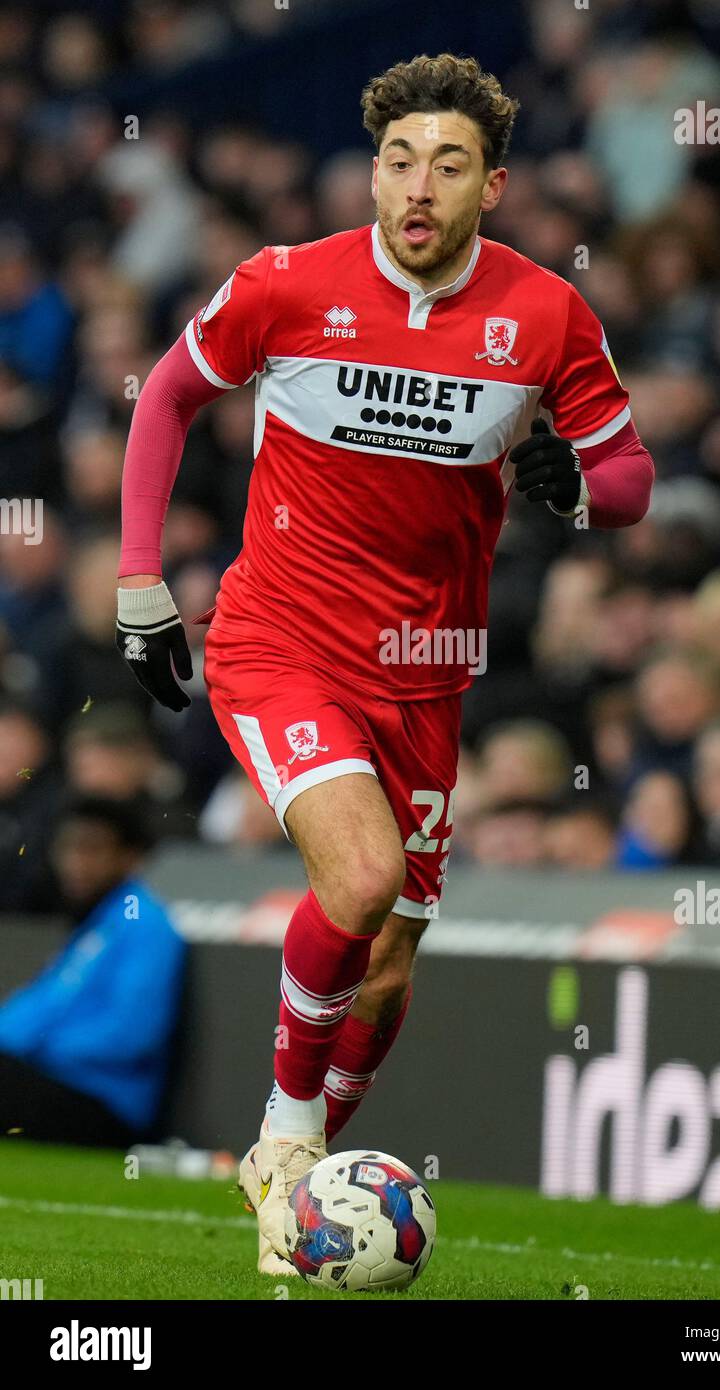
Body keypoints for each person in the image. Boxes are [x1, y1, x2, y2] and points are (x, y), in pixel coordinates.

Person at [114, 53, 654, 1275]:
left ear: (492, 185)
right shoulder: (286, 286)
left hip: (429, 671)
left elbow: (629, 475)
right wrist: (141, 577)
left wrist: (579, 489)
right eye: (399, 160)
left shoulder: (545, 316)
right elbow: (163, 397)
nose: (418, 187)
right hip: (282, 641)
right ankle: (285, 1139)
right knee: (358, 882)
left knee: (390, 958)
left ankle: (300, 1203)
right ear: (372, 170)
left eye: (448, 165)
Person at [0, 796, 185, 1147]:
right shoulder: (96, 922)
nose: (75, 864)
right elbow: (37, 1006)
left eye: (91, 850)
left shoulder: (145, 923)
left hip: (104, 1104)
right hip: (52, 1084)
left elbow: (134, 1033)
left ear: (129, 858)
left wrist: (36, 1051)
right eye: (68, 848)